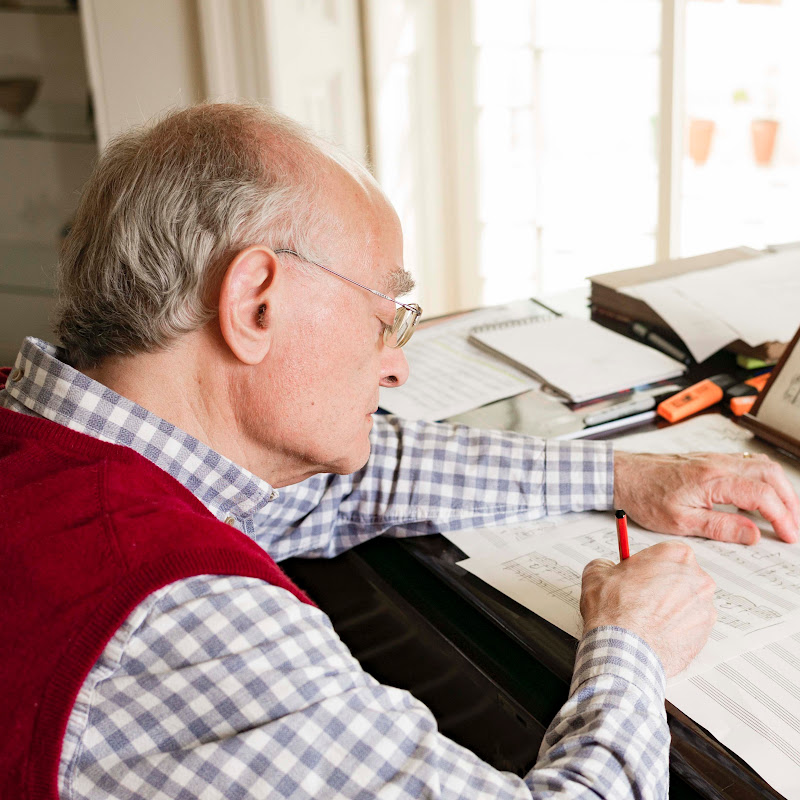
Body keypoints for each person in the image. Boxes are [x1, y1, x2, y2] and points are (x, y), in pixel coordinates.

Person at [0, 102, 797, 800]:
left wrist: (625, 474)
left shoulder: (67, 439)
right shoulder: (191, 627)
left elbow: (340, 483)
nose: (397, 362)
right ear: (255, 303)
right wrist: (633, 647)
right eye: (385, 315)